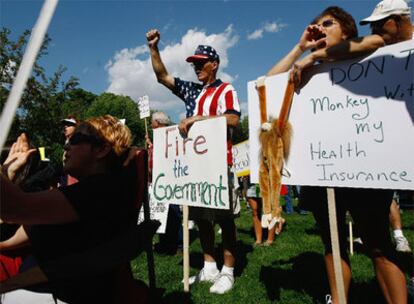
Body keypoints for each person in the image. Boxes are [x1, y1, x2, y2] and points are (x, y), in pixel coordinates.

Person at [268, 5, 408, 304]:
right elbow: (267, 83)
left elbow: (376, 42)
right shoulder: (306, 69)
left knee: (378, 244)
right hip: (321, 171)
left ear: (346, 31)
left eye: (327, 24)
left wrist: (317, 55)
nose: (319, 28)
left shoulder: (363, 52)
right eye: (314, 25)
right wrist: (302, 47)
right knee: (332, 243)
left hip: (362, 167)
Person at [1, 115, 138, 303]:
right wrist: (9, 173)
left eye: (75, 140)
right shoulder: (92, 190)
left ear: (102, 149)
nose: (66, 146)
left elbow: (15, 208)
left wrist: (6, 171)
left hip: (57, 294)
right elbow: (10, 235)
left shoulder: (97, 191)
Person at [147, 29, 241, 294]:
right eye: (194, 64)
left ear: (214, 64)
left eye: (201, 63)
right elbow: (162, 77)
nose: (196, 67)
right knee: (201, 218)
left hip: (220, 163)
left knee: (224, 219)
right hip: (196, 166)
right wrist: (154, 48)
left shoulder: (225, 90)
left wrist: (198, 119)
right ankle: (209, 265)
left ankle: (229, 270)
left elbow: (233, 119)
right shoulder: (192, 92)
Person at [146, 111, 184, 255]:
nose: (150, 124)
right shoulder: (159, 138)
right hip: (157, 184)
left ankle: (179, 244)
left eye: (152, 122)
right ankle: (165, 243)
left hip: (169, 182)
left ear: (159, 123)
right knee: (160, 214)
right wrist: (150, 146)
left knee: (173, 214)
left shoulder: (171, 138)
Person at [245, 177, 277, 247]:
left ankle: (270, 239)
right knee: (255, 211)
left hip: (267, 181)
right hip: (252, 183)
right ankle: (258, 240)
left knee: (269, 211)